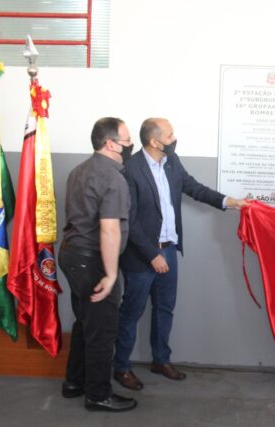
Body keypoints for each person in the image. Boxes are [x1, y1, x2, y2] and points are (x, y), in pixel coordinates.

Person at [112, 118, 247, 390]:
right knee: (132, 312)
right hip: (141, 257)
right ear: (155, 141)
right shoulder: (131, 169)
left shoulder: (171, 162)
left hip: (169, 250)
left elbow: (194, 188)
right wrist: (152, 255)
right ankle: (121, 367)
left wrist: (229, 202)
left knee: (165, 309)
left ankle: (161, 360)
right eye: (170, 135)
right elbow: (129, 220)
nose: (174, 139)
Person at [58, 117, 137, 412]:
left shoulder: (79, 171)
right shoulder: (113, 178)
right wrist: (111, 274)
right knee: (102, 330)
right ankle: (98, 395)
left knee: (85, 323)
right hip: (92, 261)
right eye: (127, 140)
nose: (131, 145)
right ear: (110, 144)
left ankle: (74, 382)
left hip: (72, 256)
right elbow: (109, 229)